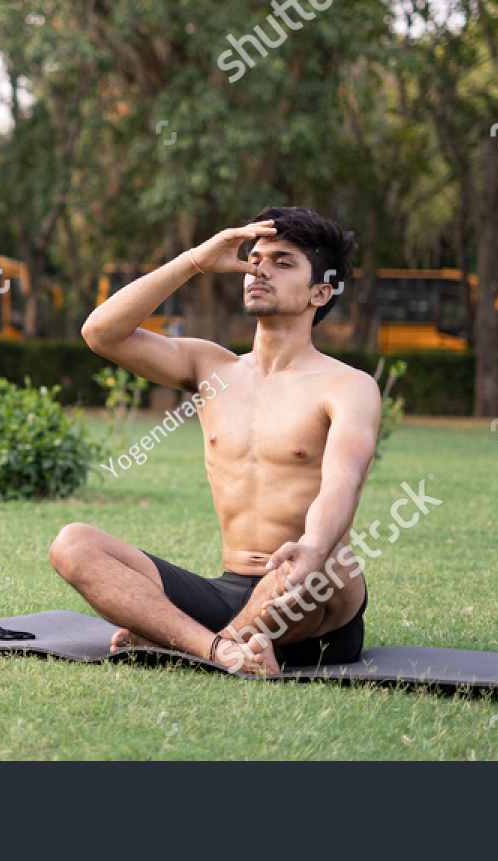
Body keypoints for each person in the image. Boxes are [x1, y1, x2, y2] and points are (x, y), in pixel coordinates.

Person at [49, 207, 379, 675]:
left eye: (283, 262)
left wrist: (311, 547)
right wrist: (194, 262)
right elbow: (101, 332)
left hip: (310, 597)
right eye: (256, 257)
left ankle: (180, 639)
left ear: (320, 292)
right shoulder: (213, 369)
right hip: (227, 591)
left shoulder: (347, 385)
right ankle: (221, 650)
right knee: (73, 544)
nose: (260, 268)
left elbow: (344, 480)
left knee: (332, 560)